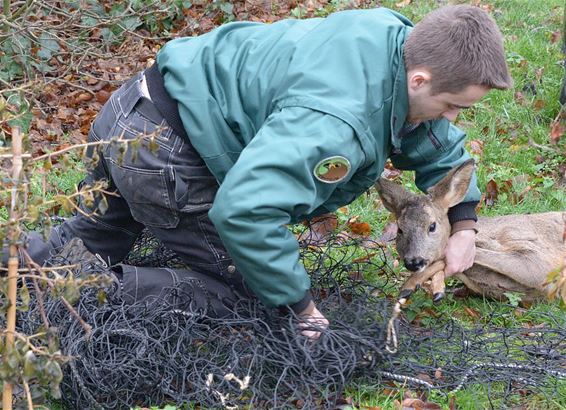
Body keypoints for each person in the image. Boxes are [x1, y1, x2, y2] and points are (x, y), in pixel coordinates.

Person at [3, 4, 512, 338]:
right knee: (251, 296)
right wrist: (299, 305)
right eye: (450, 105)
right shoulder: (336, 125)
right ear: (420, 78)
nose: (451, 117)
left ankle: (15, 273)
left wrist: (463, 221)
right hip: (168, 159)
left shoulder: (391, 39)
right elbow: (246, 211)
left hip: (130, 112)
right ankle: (84, 296)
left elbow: (424, 131)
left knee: (97, 232)